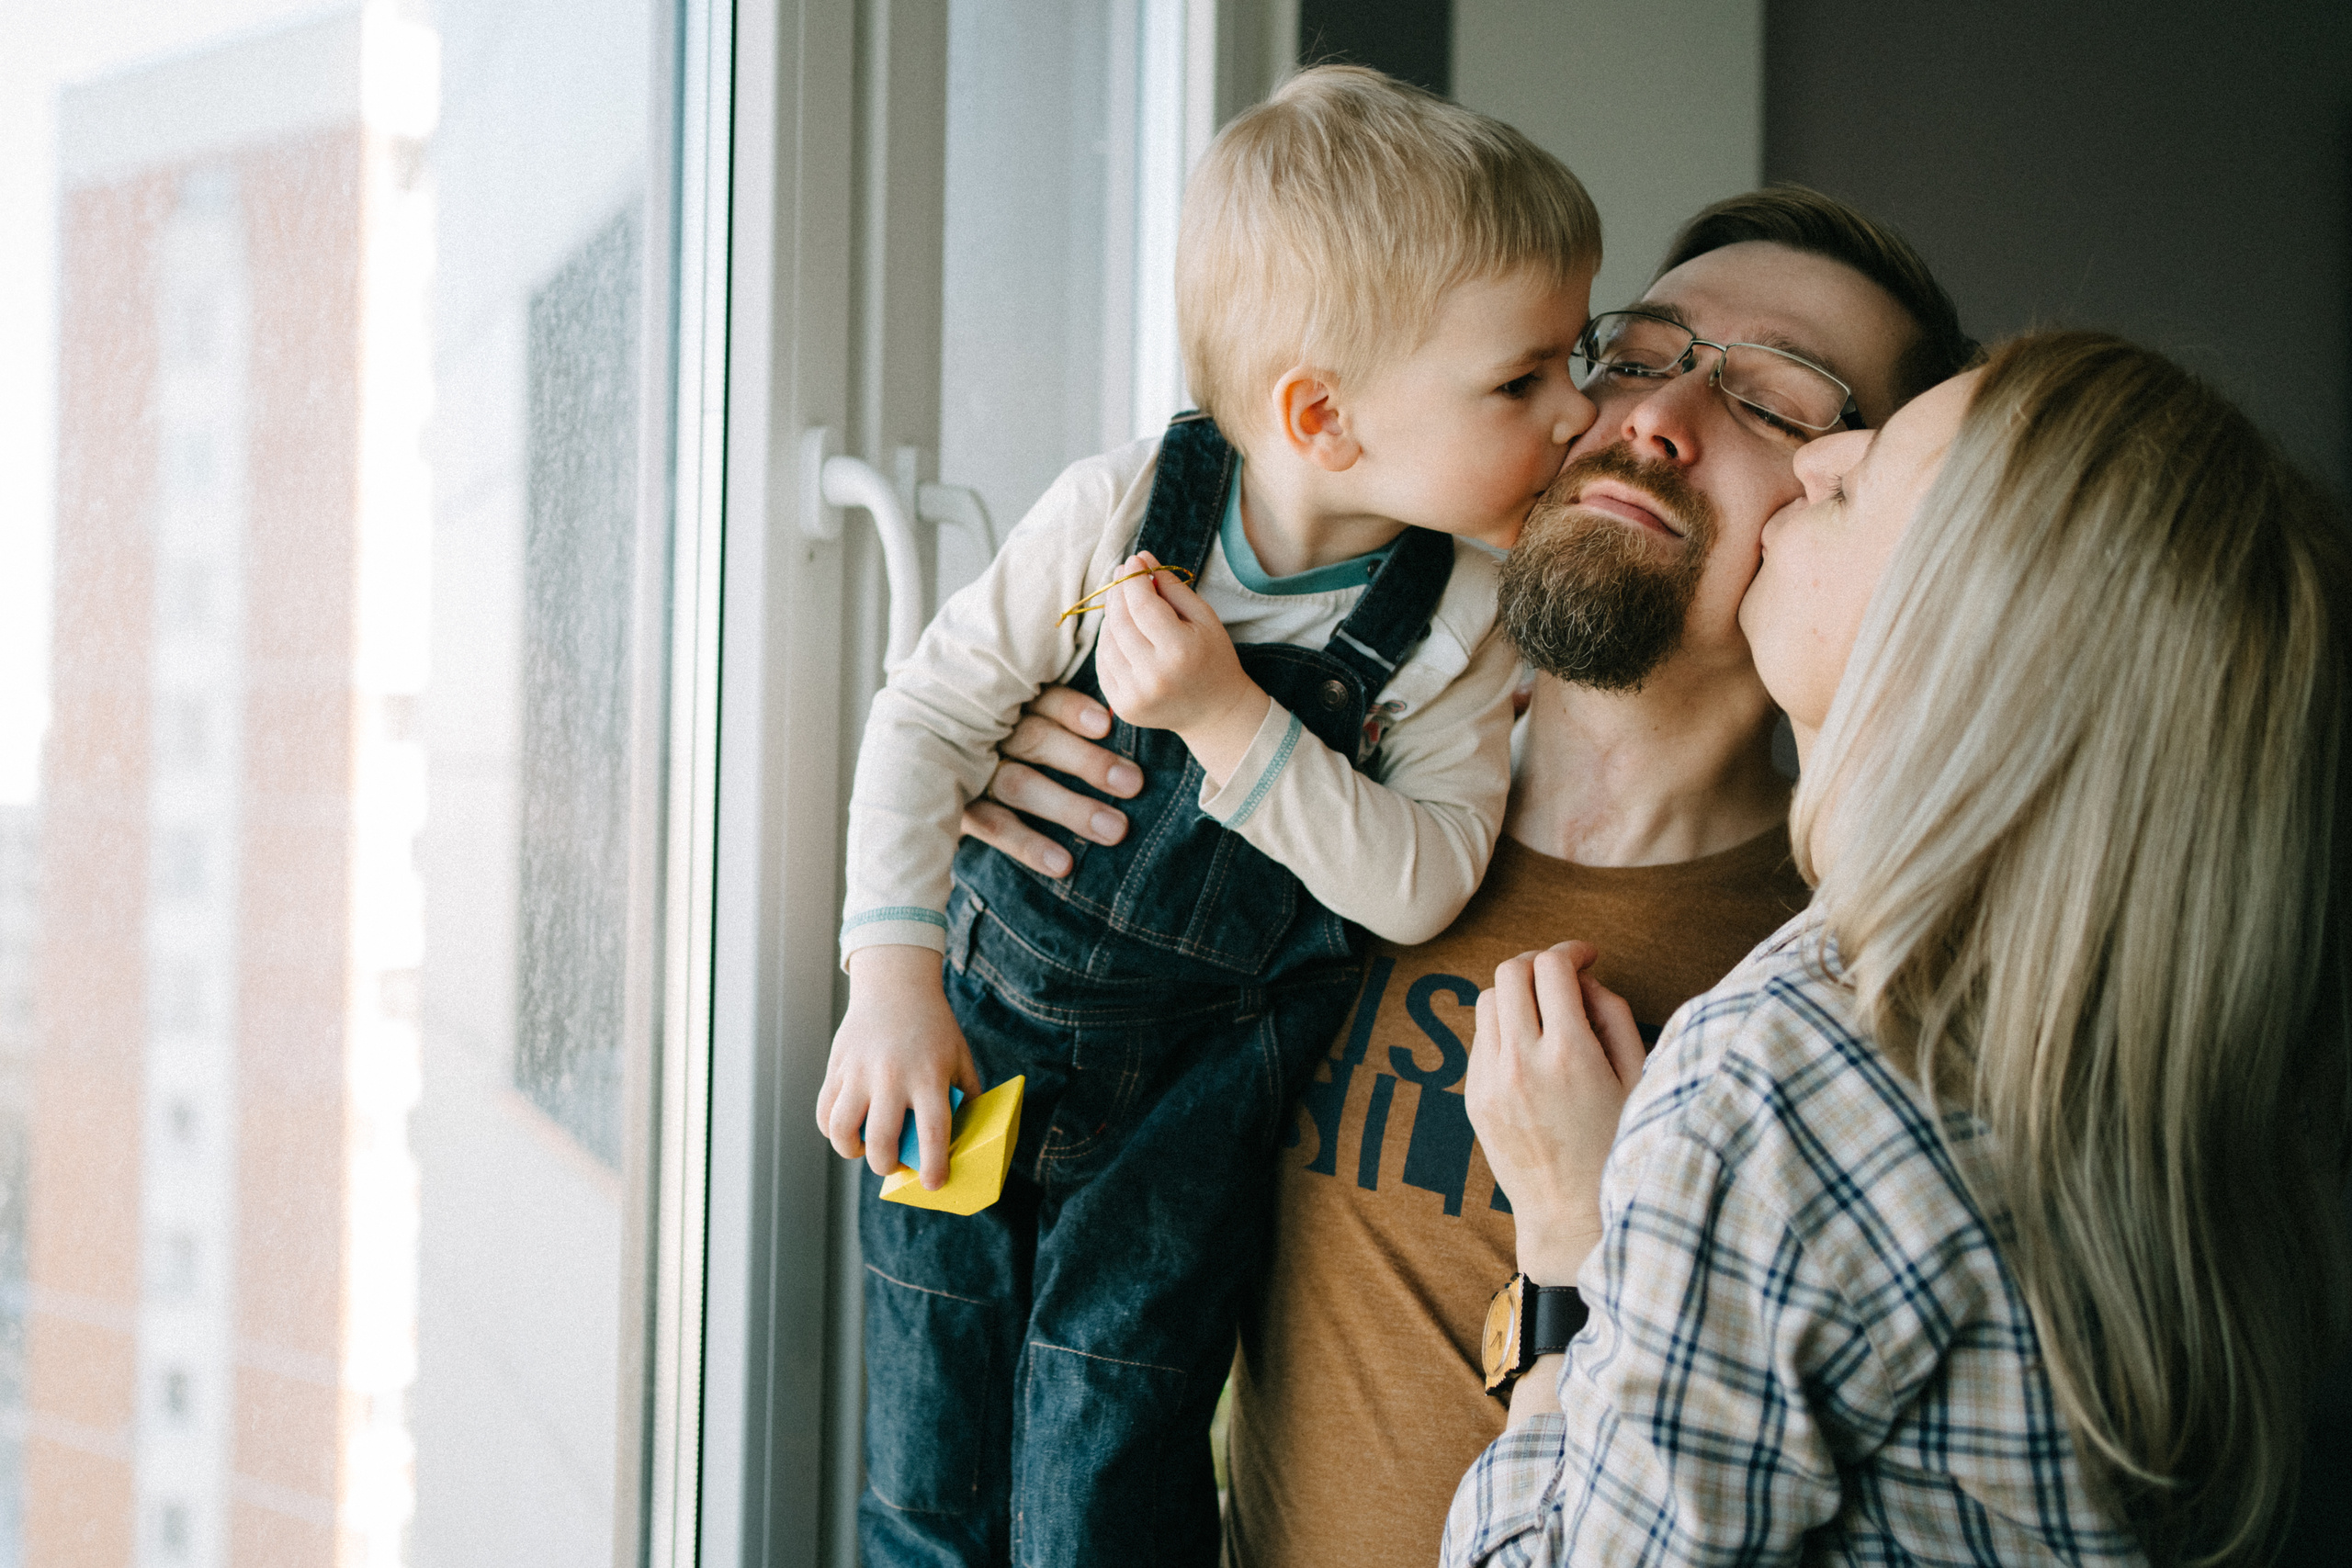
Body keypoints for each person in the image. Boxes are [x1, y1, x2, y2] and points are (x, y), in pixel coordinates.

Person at [967, 186, 1979, 1567]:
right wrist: (1027, 769)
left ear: (1849, 506)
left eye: (1775, 402)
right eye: (1635, 355)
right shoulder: (1282, 794)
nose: (1655, 418)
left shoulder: (1857, 1002)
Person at [817, 67, 1600, 1564]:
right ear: (1326, 416)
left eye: (1575, 354)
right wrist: (891, 982)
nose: (1577, 410)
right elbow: (926, 716)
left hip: (1186, 1115)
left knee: (1106, 1468)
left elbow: (1424, 881)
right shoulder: (1120, 514)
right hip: (966, 1055)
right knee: (927, 1461)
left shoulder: (1460, 622)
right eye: (1523, 379)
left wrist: (1227, 720)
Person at [1453, 332, 2351, 1563]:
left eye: (1840, 457)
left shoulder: (1777, 1078)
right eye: (1637, 350)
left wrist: (1569, 1251)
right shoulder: (2202, 1080)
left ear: (1967, 640)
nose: (1817, 463)